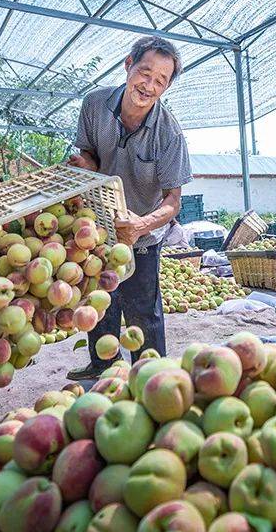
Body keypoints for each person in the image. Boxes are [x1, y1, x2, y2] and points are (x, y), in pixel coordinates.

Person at [66, 36, 192, 380]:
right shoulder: (94, 105)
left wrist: (142, 224)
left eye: (160, 81)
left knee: (142, 310)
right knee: (100, 297)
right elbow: (89, 152)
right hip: (98, 224)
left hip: (143, 233)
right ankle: (102, 365)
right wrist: (86, 163)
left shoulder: (169, 134)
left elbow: (173, 201)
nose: (149, 85)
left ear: (166, 87)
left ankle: (151, 377)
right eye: (145, 72)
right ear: (128, 65)